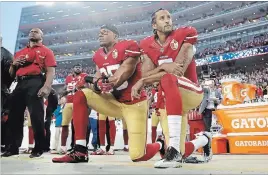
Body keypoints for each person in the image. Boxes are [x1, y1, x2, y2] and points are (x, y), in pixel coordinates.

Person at [52, 24, 166, 163]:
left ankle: (160, 143)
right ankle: (80, 150)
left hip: (134, 103)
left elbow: (122, 75)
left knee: (138, 156)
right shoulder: (98, 56)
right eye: (99, 33)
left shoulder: (129, 46)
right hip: (113, 101)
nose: (100, 35)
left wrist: (97, 81)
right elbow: (97, 82)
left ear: (116, 36)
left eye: (105, 32)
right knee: (81, 94)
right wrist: (94, 83)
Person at [131, 9, 211, 168]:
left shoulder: (184, 34)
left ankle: (173, 150)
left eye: (169, 17)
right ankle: (204, 140)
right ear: (154, 25)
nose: (167, 20)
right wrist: (165, 66)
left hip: (191, 90)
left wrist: (147, 79)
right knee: (181, 151)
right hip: (168, 99)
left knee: (169, 78)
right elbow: (145, 75)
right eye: (162, 18)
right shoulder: (146, 44)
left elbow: (178, 71)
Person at [2, 28, 56, 158]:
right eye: (31, 31)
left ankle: (38, 148)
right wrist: (13, 65)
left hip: (36, 81)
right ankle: (13, 147)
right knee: (14, 115)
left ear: (41, 36)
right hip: (20, 83)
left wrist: (47, 86)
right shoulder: (20, 52)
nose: (33, 32)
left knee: (36, 116)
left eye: (36, 31)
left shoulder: (46, 51)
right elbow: (11, 74)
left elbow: (50, 71)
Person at [60, 64, 87, 154]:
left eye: (80, 67)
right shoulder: (68, 78)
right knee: (64, 124)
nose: (78, 68)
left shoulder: (84, 76)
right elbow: (63, 91)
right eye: (76, 67)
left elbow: (88, 87)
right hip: (68, 102)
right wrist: (65, 93)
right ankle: (63, 147)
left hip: (78, 103)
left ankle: (77, 147)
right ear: (73, 69)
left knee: (77, 125)